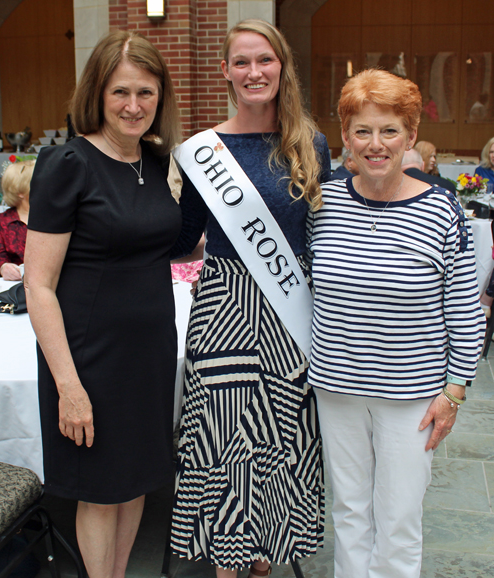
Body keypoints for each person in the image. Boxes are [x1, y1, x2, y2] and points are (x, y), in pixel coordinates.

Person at [23, 30, 204, 578]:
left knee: (135, 484)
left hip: (148, 351)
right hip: (88, 357)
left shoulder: (155, 161)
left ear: (160, 97)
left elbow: (168, 243)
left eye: (146, 93)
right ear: (97, 94)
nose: (134, 105)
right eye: (121, 92)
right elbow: (38, 284)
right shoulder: (67, 162)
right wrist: (69, 387)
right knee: (101, 492)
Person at [307, 69, 485, 578]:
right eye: (362, 130)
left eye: (389, 131)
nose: (375, 144)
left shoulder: (440, 209)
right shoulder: (323, 203)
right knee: (348, 514)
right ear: (345, 138)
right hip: (337, 389)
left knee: (400, 520)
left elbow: (465, 311)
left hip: (412, 396)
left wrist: (453, 393)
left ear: (410, 136)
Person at [171, 19, 330, 578]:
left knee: (280, 430)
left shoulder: (310, 145)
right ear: (225, 72)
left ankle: (266, 551)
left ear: (281, 66)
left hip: (290, 309)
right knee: (222, 435)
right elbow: (184, 233)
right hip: (223, 306)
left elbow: (321, 235)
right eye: (241, 62)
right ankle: (225, 560)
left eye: (264, 59)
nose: (253, 72)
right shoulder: (202, 152)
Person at [0, 159, 34, 279]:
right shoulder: (1, 222)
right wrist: (3, 267)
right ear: (20, 192)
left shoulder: (52, 217)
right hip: (14, 286)